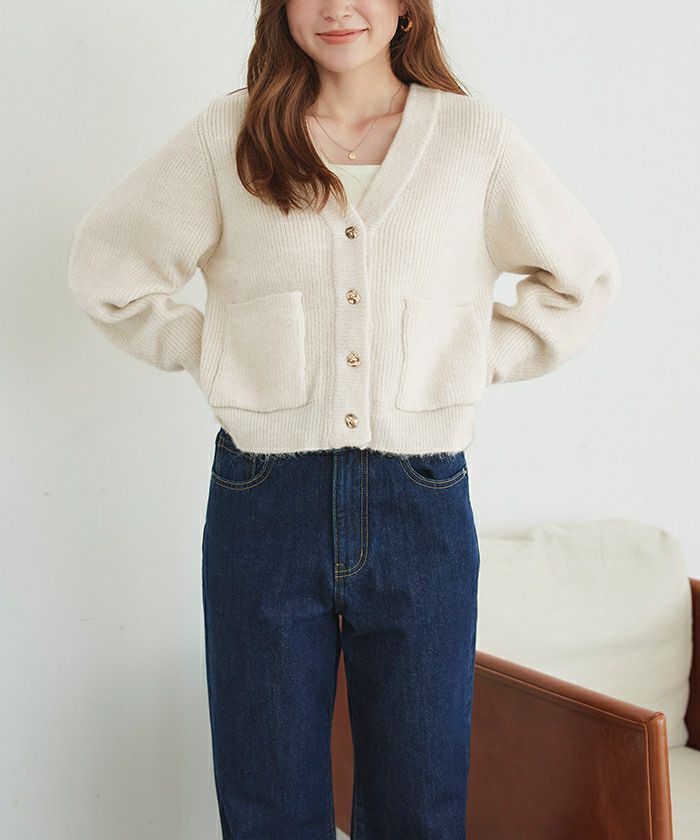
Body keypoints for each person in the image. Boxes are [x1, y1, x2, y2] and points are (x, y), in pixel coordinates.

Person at [67, 1, 622, 837]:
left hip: (421, 499)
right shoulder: (231, 135)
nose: (336, 8)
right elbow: (107, 268)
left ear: (405, 9)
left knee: (419, 800)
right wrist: (211, 351)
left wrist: (472, 360)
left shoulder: (471, 140)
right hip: (264, 497)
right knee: (267, 798)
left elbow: (582, 280)